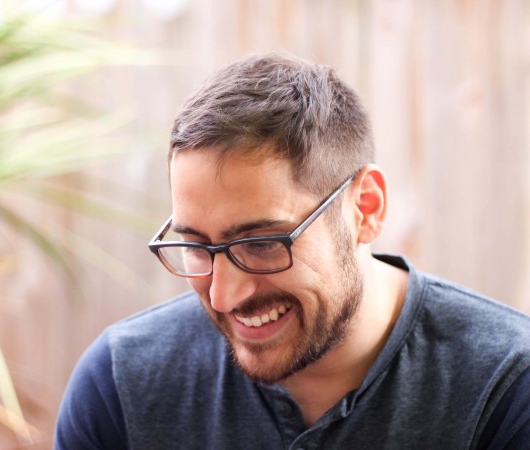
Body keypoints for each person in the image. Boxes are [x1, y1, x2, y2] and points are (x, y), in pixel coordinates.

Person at [54, 53, 530, 449]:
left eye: (261, 243)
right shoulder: (120, 385)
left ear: (365, 208)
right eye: (196, 246)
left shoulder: (507, 387)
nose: (222, 296)